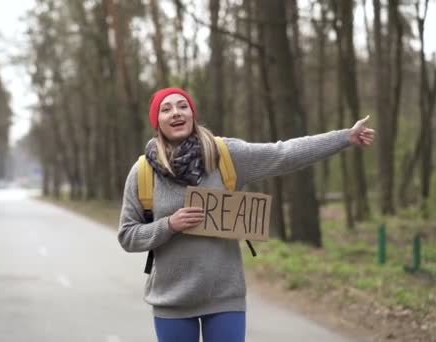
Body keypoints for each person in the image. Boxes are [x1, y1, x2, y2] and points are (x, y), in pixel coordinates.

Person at [117, 87, 375, 342]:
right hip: (171, 301)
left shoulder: (226, 155)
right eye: (166, 109)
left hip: (224, 298)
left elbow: (283, 154)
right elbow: (128, 235)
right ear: (157, 122)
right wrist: (168, 225)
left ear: (192, 114)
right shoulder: (143, 172)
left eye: (183, 106)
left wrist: (344, 138)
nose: (176, 112)